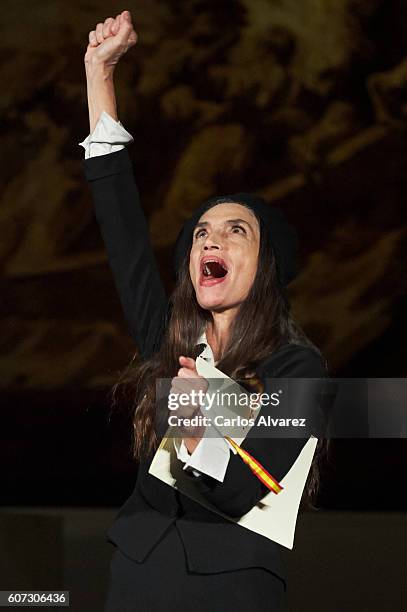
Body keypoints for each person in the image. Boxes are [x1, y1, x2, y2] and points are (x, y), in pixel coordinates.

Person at [81, 10, 331, 612]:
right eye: (200, 233)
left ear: (265, 263)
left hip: (229, 586)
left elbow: (251, 488)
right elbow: (124, 235)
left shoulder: (297, 371)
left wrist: (200, 422)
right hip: (135, 575)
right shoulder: (170, 341)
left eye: (233, 231)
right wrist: (99, 75)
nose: (209, 240)